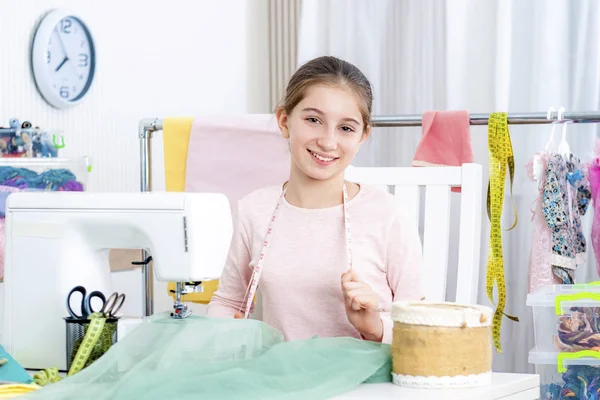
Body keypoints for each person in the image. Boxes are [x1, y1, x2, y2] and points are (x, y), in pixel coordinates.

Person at [207, 55, 423, 344]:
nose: (328, 142)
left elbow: (422, 325)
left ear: (362, 136)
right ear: (284, 121)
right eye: (313, 120)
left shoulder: (387, 214)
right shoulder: (254, 210)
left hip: (369, 383)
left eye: (345, 128)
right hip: (282, 379)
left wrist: (375, 327)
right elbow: (228, 303)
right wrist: (222, 334)